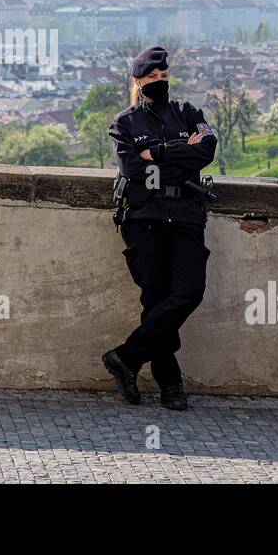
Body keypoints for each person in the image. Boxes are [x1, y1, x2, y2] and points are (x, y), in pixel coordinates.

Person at [102, 45, 216, 411]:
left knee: (188, 291)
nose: (159, 82)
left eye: (164, 76)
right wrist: (177, 154)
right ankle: (171, 385)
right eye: (152, 77)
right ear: (137, 81)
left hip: (184, 213)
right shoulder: (124, 124)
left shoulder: (188, 112)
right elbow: (135, 170)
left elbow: (206, 150)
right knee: (155, 299)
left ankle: (125, 358)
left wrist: (159, 153)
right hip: (145, 218)